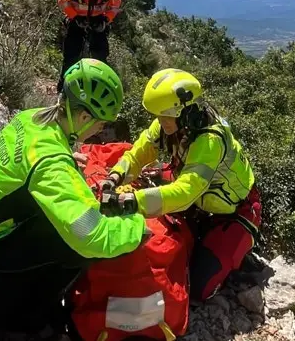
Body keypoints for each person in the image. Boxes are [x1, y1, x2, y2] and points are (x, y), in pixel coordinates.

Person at [0, 59, 148, 333]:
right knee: (71, 248)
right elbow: (91, 236)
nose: (98, 131)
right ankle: (16, 320)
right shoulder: (50, 163)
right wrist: (137, 228)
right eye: (99, 124)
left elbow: (27, 161)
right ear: (84, 117)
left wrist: (66, 157)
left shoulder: (31, 118)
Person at [101, 68, 262, 302]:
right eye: (159, 115)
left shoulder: (209, 140)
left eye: (166, 115)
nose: (161, 121)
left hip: (235, 211)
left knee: (200, 287)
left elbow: (187, 190)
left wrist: (133, 202)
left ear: (185, 112)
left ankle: (241, 249)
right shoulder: (170, 124)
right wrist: (115, 176)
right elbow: (139, 152)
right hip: (200, 200)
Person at [57, 0, 122, 92]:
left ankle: (100, 87)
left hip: (98, 18)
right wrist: (74, 16)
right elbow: (63, 0)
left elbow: (115, 6)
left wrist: (105, 19)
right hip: (76, 18)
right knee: (71, 54)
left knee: (101, 54)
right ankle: (64, 86)